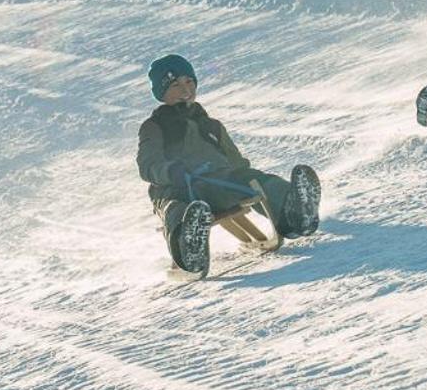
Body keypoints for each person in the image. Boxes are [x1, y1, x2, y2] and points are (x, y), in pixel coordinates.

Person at [136, 54, 321, 274]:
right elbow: (147, 164)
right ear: (162, 93)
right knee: (177, 210)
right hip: (174, 188)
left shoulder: (211, 126)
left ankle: (293, 214)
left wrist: (244, 175)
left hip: (215, 182)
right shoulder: (154, 126)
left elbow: (236, 162)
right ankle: (188, 248)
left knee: (253, 180)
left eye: (189, 82)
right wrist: (170, 171)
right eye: (175, 85)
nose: (185, 90)